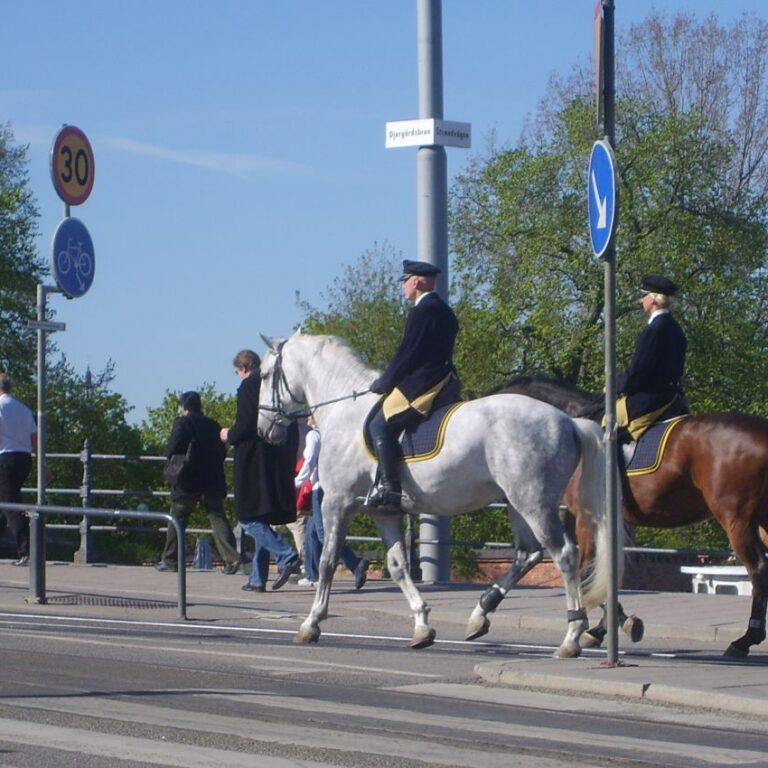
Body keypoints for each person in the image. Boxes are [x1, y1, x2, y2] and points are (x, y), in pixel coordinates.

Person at [366, 260, 459, 508]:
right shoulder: (445, 310)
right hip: (444, 378)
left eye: (404, 282)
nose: (403, 288)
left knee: (378, 425)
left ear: (415, 281)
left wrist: (385, 381)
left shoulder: (422, 311)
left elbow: (408, 353)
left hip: (421, 384)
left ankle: (391, 488)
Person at [220, 349, 300, 592]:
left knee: (247, 517)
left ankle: (286, 555)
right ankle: (257, 578)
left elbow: (245, 426)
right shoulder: (273, 383)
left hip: (253, 460)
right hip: (275, 458)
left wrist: (228, 435)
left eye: (237, 372)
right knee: (263, 517)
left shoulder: (249, 386)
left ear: (243, 368)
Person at [155, 391, 242, 574]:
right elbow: (222, 450)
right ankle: (233, 559)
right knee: (217, 517)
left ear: (184, 407)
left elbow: (172, 448)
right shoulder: (213, 425)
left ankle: (170, 560)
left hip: (188, 479)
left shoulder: (183, 423)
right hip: (212, 478)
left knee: (177, 517)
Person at [295, 414, 368, 589]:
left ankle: (354, 562)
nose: (307, 420)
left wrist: (298, 481)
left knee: (323, 534)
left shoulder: (313, 435)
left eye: (310, 416)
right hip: (330, 486)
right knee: (312, 532)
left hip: (318, 488)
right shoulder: (330, 433)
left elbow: (310, 459)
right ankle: (313, 575)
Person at [616, 275, 688, 442]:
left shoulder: (655, 329)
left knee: (605, 427)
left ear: (653, 298)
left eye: (643, 295)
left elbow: (638, 372)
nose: (641, 300)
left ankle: (615, 467)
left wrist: (616, 385)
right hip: (671, 396)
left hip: (649, 398)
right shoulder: (675, 328)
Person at [0, 374, 36, 566]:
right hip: (24, 458)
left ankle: (26, 551)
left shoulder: (1, 407)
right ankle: (25, 548)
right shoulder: (24, 409)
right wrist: (42, 463)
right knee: (9, 499)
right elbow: (34, 437)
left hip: (5, 457)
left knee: (10, 504)